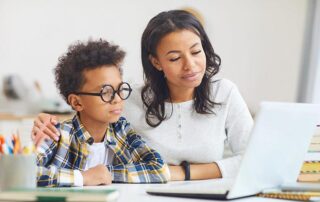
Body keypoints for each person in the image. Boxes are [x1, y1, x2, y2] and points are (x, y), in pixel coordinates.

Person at [32, 10, 253, 181]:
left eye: (196, 52)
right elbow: (90, 110)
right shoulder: (129, 98)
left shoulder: (225, 93)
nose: (191, 65)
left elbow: (255, 160)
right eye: (175, 58)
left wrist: (181, 173)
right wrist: (48, 122)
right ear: (156, 62)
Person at [36, 39, 170, 187]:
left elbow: (160, 170)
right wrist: (83, 177)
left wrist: (106, 172)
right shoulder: (57, 135)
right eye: (105, 92)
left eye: (120, 89)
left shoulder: (121, 131)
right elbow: (20, 173)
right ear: (77, 102)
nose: (117, 99)